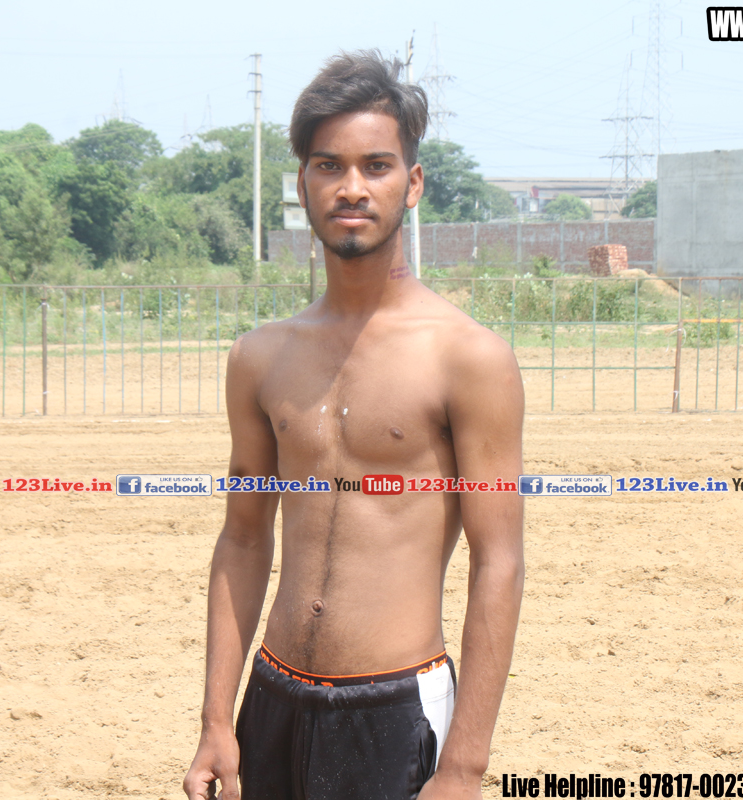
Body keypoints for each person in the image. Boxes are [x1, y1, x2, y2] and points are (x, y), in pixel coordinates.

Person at [183, 50, 525, 800]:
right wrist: (216, 721)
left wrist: (463, 766)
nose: (352, 187)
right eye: (328, 165)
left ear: (413, 183)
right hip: (271, 700)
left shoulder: (468, 358)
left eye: (376, 166)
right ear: (302, 183)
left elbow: (498, 560)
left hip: (395, 710)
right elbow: (243, 538)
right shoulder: (259, 357)